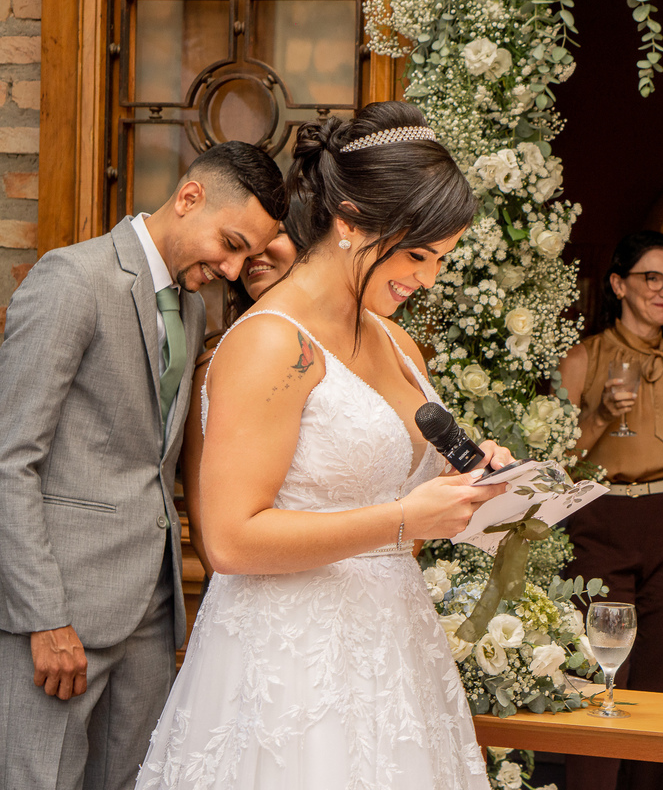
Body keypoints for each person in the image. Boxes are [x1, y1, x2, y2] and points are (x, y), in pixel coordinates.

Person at [135, 101, 508, 789]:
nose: (426, 279)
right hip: (291, 663)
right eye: (417, 254)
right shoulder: (272, 343)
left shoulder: (396, 341)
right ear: (349, 220)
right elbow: (229, 540)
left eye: (441, 260)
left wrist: (477, 476)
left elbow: (405, 488)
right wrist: (405, 520)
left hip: (395, 653)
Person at [0, 141, 286, 790]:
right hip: (62, 612)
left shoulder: (188, 306)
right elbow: (10, 459)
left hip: (150, 611)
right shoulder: (73, 279)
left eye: (249, 256)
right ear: (188, 198)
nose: (236, 267)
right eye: (232, 242)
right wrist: (44, 617)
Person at [558, 230, 663, 790]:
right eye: (651, 278)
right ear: (618, 285)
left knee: (659, 683)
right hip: (599, 521)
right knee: (597, 676)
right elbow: (558, 462)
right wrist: (603, 413)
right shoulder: (582, 358)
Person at [181, 197, 310, 576]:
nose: (256, 254)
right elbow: (206, 522)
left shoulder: (360, 352)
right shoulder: (215, 365)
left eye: (278, 235)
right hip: (257, 598)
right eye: (245, 246)